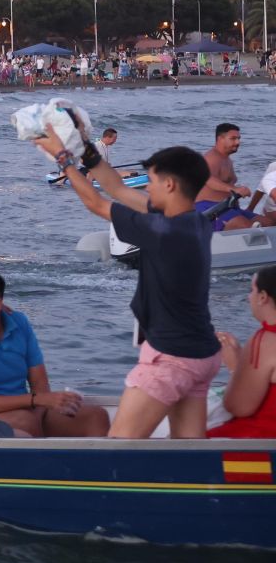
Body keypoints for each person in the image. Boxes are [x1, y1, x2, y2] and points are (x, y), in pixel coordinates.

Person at [37, 130, 220, 438]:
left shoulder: (162, 230)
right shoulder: (196, 222)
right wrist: (85, 151)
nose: (146, 187)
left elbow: (96, 203)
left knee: (119, 448)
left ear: (170, 185)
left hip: (170, 357)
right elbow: (117, 188)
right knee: (187, 451)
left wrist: (64, 159)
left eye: (151, 181)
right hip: (202, 355)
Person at [0, 270, 110, 438]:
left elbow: (39, 382)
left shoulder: (19, 322)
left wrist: (38, 412)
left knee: (97, 416)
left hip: (27, 406)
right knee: (27, 421)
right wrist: (35, 400)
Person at [211, 265, 276, 439]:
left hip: (262, 442)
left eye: (252, 290)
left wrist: (235, 367)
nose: (249, 297)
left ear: (263, 297)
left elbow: (239, 407)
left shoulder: (265, 341)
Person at [196, 122, 255, 229]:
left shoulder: (227, 159)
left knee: (268, 222)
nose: (238, 142)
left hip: (229, 208)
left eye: (238, 138)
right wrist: (234, 189)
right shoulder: (211, 158)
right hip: (210, 209)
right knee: (246, 226)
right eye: (233, 138)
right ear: (220, 139)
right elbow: (207, 178)